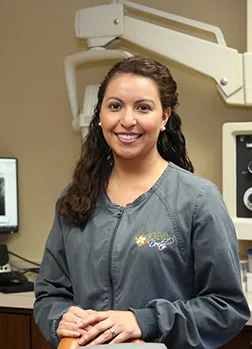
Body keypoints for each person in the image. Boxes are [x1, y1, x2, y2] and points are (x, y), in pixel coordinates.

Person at [34, 55, 250, 349]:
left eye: (143, 107)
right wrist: (60, 319)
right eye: (115, 106)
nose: (127, 120)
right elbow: (50, 293)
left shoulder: (198, 200)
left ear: (164, 118)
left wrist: (145, 320)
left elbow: (226, 307)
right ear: (100, 115)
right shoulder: (76, 197)